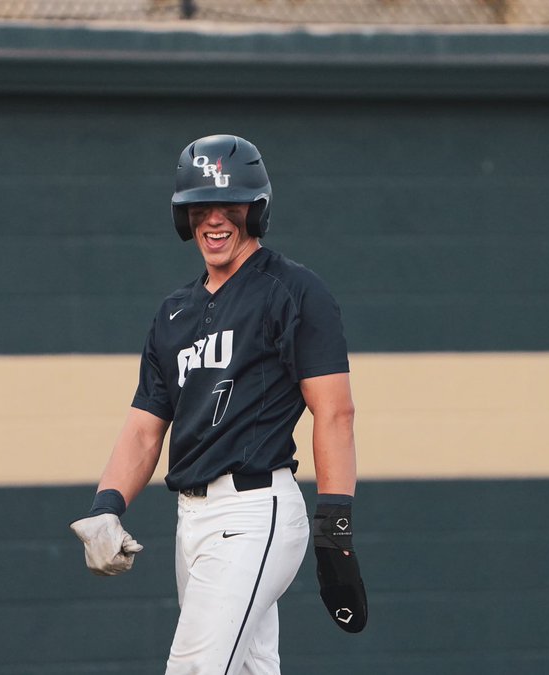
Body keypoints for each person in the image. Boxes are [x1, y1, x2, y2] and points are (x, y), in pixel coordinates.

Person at [69, 134, 368, 674]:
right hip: (193, 520)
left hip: (255, 512)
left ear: (256, 210)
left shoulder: (294, 289)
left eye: (230, 206)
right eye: (200, 207)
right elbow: (144, 428)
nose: (215, 220)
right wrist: (107, 504)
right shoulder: (173, 313)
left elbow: (335, 411)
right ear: (184, 218)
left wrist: (334, 523)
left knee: (194, 669)